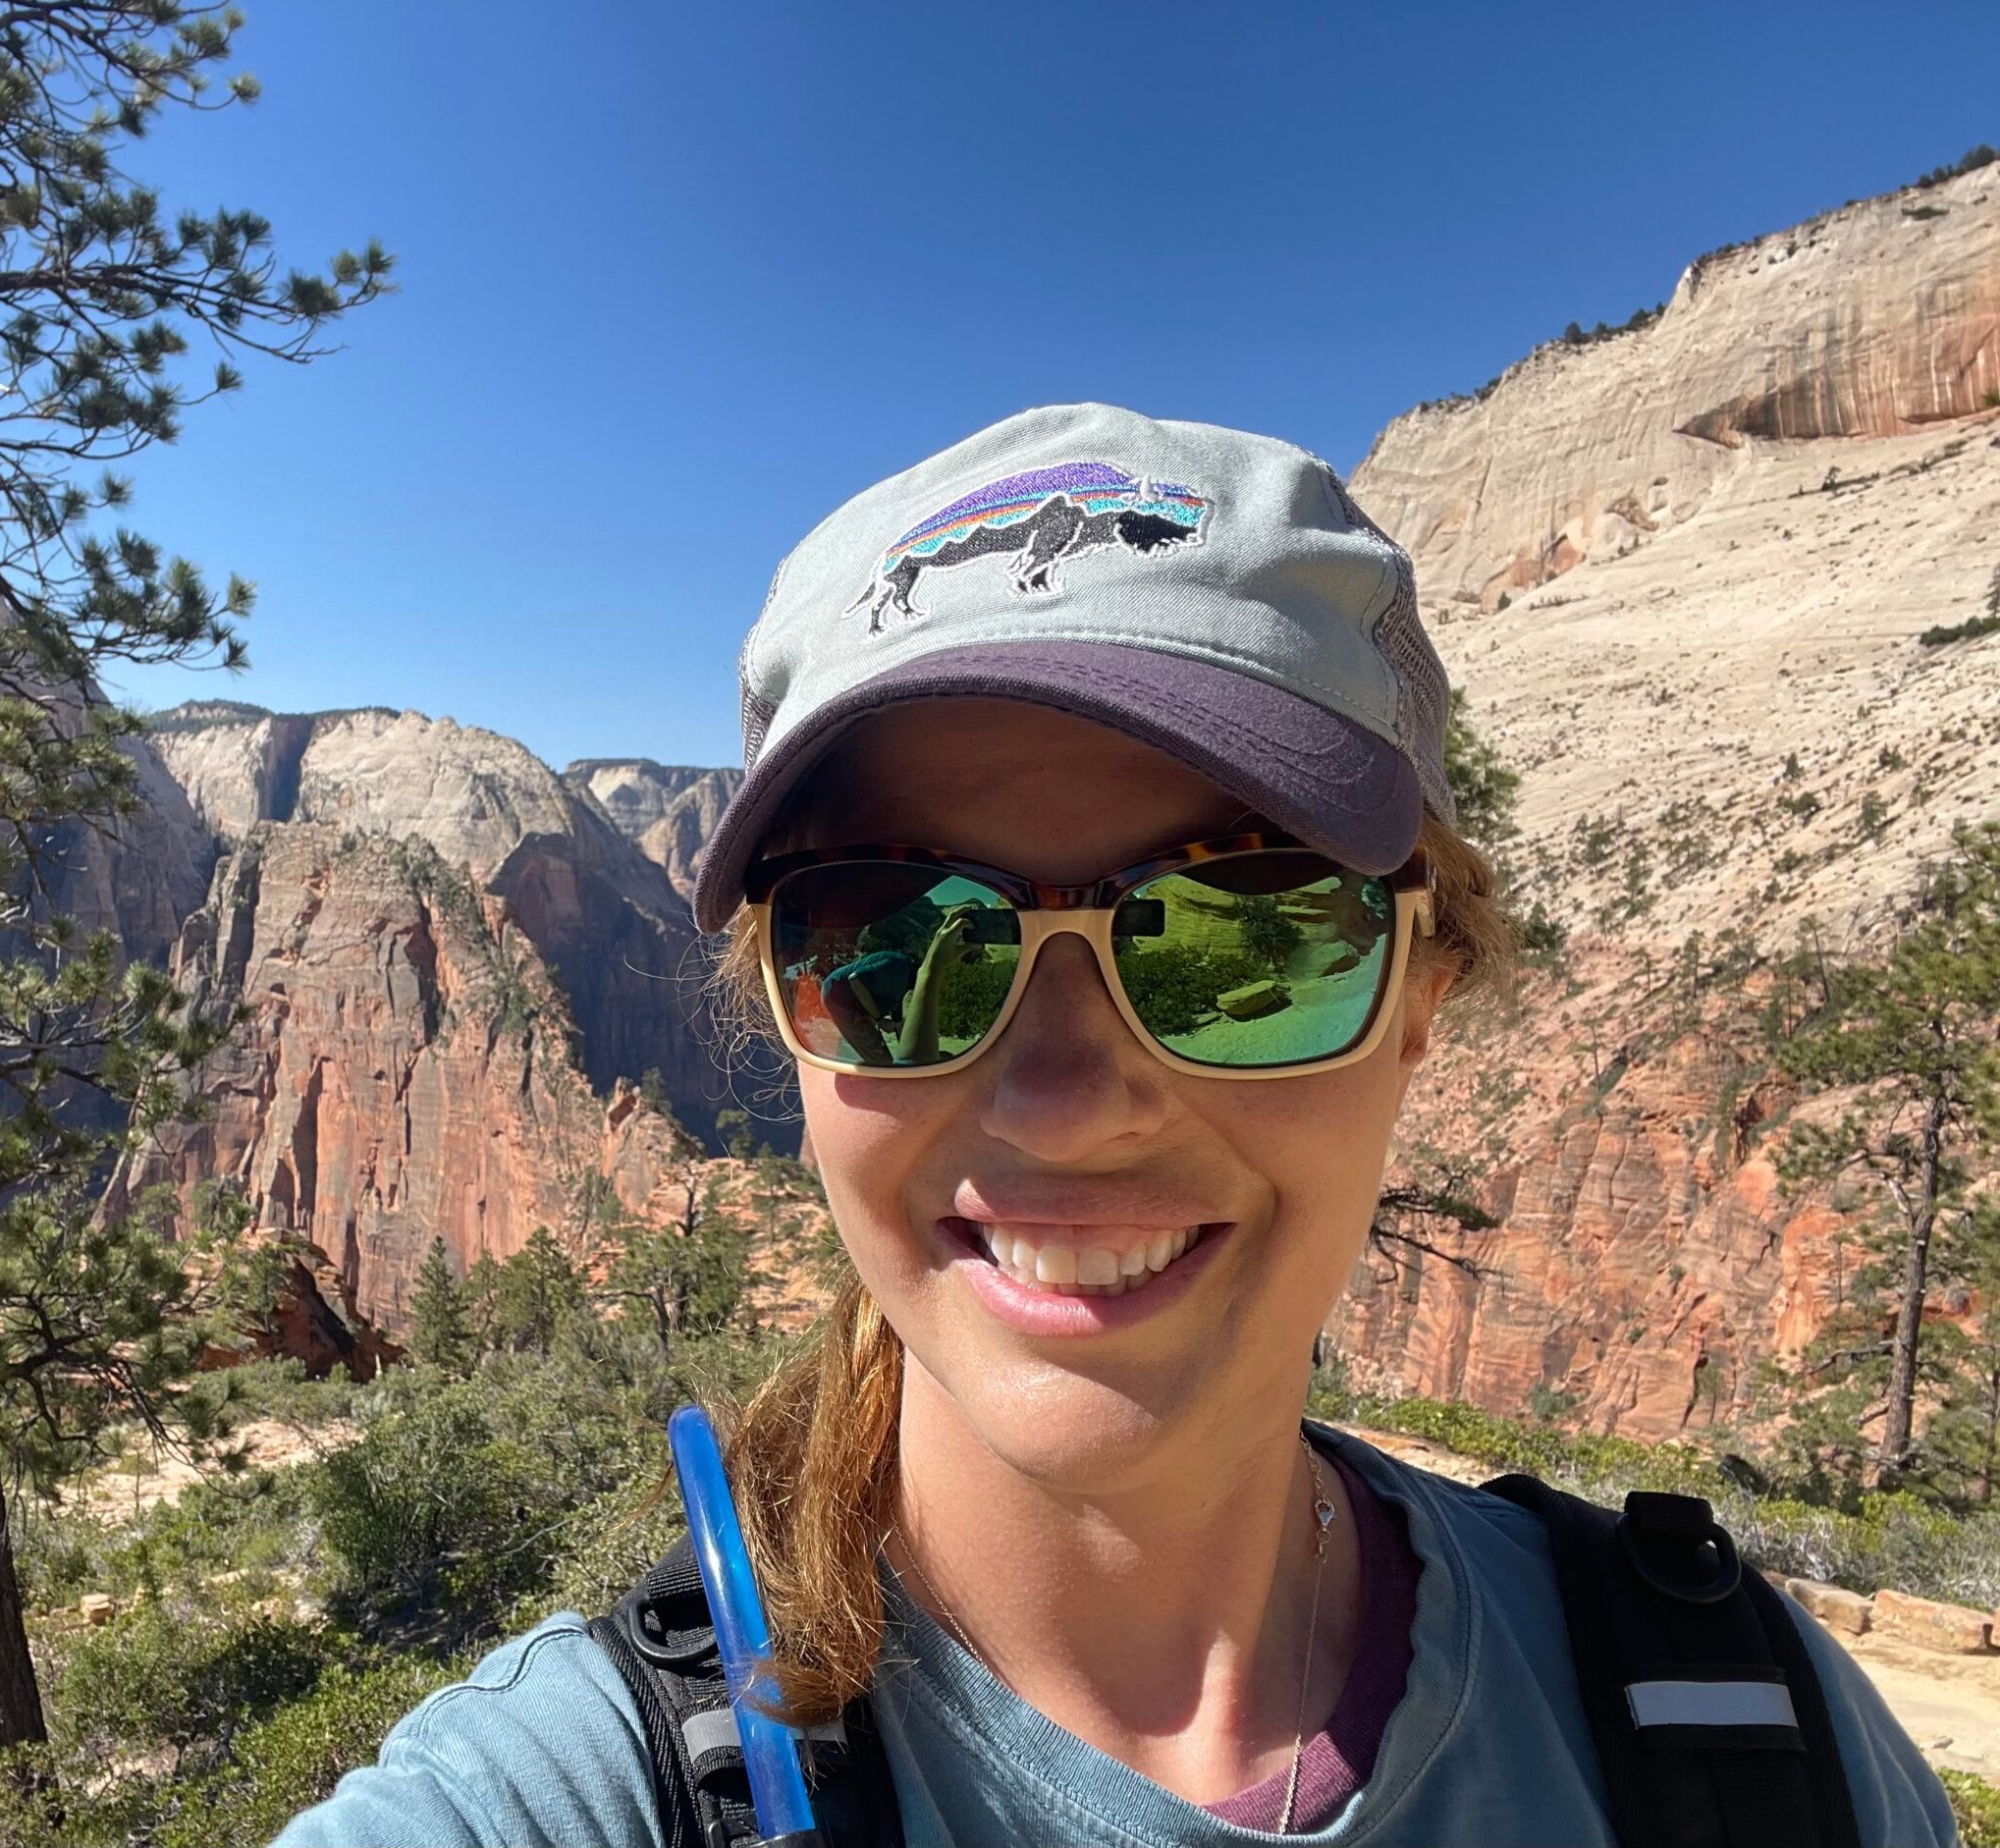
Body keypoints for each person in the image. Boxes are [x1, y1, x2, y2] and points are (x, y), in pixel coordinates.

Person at [274, 406, 1956, 1846]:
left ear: (1421, 995)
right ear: (786, 1028)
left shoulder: (1752, 1735)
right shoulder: (585, 1790)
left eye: (1243, 938)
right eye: (896, 942)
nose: (1064, 1099)